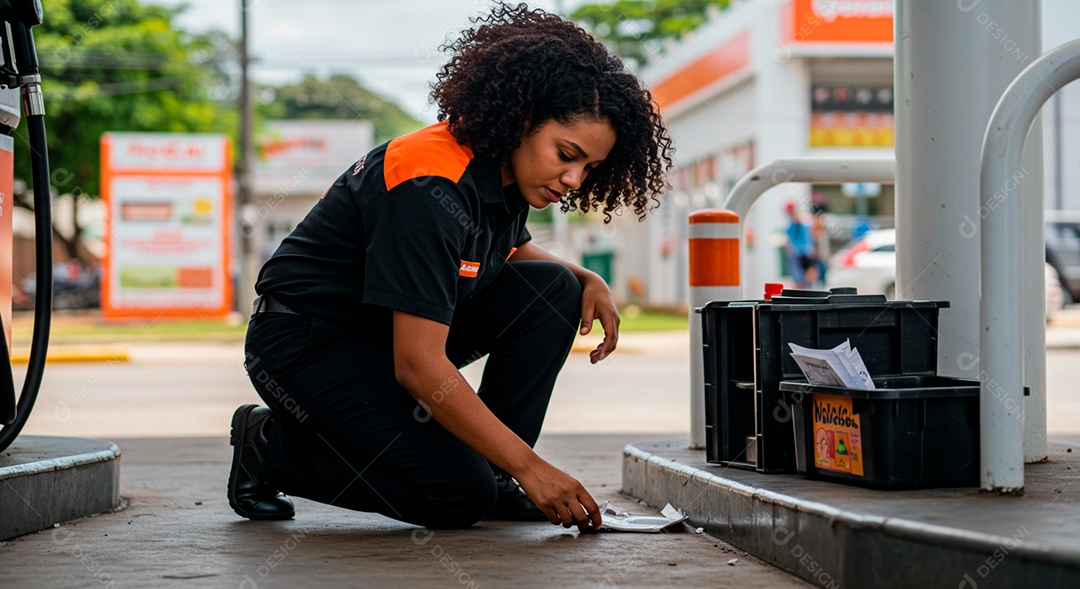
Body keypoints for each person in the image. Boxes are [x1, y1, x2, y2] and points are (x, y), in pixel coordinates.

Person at [229, 3, 673, 533]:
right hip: (307, 344)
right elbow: (417, 365)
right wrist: (535, 469)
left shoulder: (504, 173)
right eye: (566, 153)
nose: (574, 178)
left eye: (589, 167)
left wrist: (587, 278)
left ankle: (495, 475)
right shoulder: (428, 186)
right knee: (455, 497)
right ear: (524, 119)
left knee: (553, 288)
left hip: (382, 336)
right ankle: (269, 447)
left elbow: (508, 253)